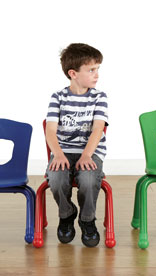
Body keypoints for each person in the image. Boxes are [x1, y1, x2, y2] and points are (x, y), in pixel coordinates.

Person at [45, 43, 108, 247]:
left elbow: (98, 128)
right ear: (73, 73)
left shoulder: (99, 97)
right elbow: (50, 130)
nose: (96, 74)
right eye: (91, 70)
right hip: (63, 151)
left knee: (89, 179)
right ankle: (67, 214)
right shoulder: (58, 97)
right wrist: (58, 154)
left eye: (97, 69)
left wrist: (87, 155)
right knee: (56, 177)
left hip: (90, 153)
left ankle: (87, 219)